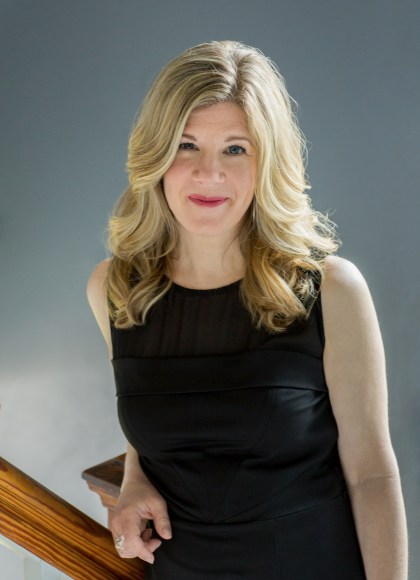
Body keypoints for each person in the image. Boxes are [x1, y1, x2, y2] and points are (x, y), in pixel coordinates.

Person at [87, 40, 408, 579]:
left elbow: (372, 475)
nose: (208, 173)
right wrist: (135, 478)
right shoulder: (116, 289)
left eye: (235, 149)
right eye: (187, 145)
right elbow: (156, 413)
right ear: (155, 154)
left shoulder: (331, 289)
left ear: (267, 161)